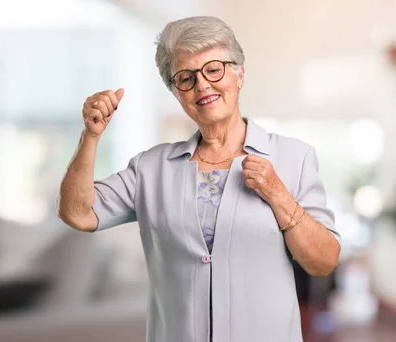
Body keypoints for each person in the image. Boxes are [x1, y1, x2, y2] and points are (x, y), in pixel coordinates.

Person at [57, 16, 341, 342]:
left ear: (240, 74)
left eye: (214, 69)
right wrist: (90, 137)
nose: (202, 84)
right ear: (176, 93)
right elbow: (77, 213)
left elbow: (324, 261)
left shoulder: (294, 157)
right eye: (186, 78)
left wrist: (278, 194)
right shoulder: (151, 168)